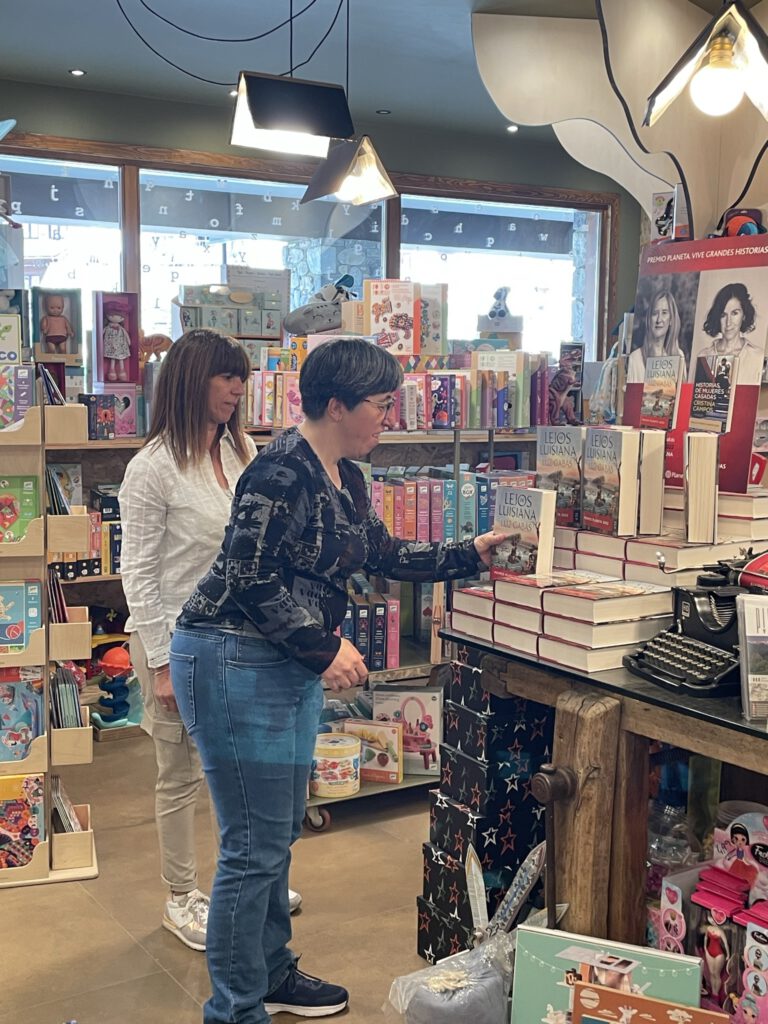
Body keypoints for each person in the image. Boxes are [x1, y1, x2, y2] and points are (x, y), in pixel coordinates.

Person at [170, 337, 512, 1023]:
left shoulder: (345, 476)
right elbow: (249, 577)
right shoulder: (279, 472)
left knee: (274, 838)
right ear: (336, 404)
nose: (389, 418)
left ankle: (270, 972)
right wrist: (324, 648)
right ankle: (233, 1009)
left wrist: (467, 553)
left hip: (279, 663)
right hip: (232, 657)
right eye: (382, 406)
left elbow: (384, 552)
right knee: (252, 846)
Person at [119, 329, 302, 954]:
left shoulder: (242, 450)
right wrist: (162, 662)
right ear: (190, 381)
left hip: (237, 638)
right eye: (225, 376)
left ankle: (243, 879)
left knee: (238, 767)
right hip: (174, 638)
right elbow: (137, 573)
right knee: (179, 773)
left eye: (241, 378)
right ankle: (180, 896)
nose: (237, 388)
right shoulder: (152, 468)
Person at [693, 282, 765, 385]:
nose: (728, 322)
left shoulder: (758, 357)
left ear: (744, 315)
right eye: (723, 315)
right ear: (718, 317)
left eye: (735, 313)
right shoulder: (703, 356)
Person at [626, 288, 685, 383]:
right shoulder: (635, 359)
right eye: (655, 313)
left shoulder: (679, 356)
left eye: (664, 313)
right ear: (649, 319)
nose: (659, 319)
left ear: (671, 320)